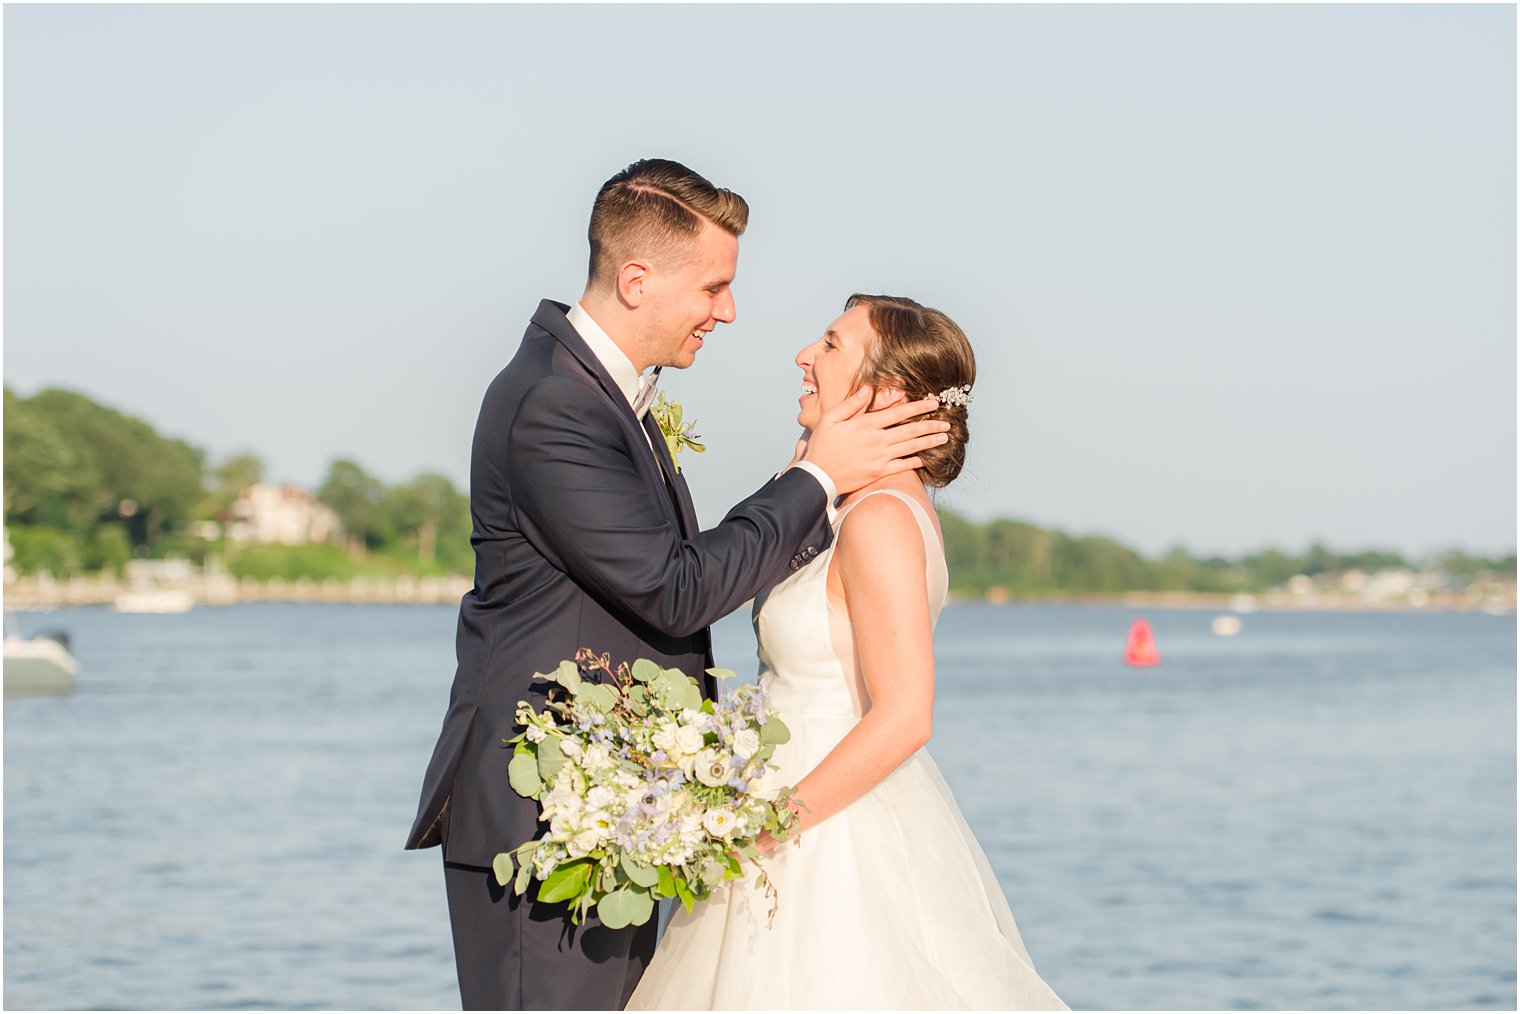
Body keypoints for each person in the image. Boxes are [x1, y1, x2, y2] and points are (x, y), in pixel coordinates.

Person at [405, 161, 951, 1011]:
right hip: (542, 818)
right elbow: (673, 589)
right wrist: (813, 477)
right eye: (714, 286)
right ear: (636, 280)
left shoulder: (603, 397)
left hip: (620, 813)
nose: (728, 312)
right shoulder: (556, 404)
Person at [625, 294, 1069, 1011]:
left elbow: (904, 717)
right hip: (788, 810)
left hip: (824, 838)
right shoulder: (845, 504)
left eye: (830, 346)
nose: (805, 355)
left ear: (885, 392)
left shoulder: (883, 519)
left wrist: (766, 832)